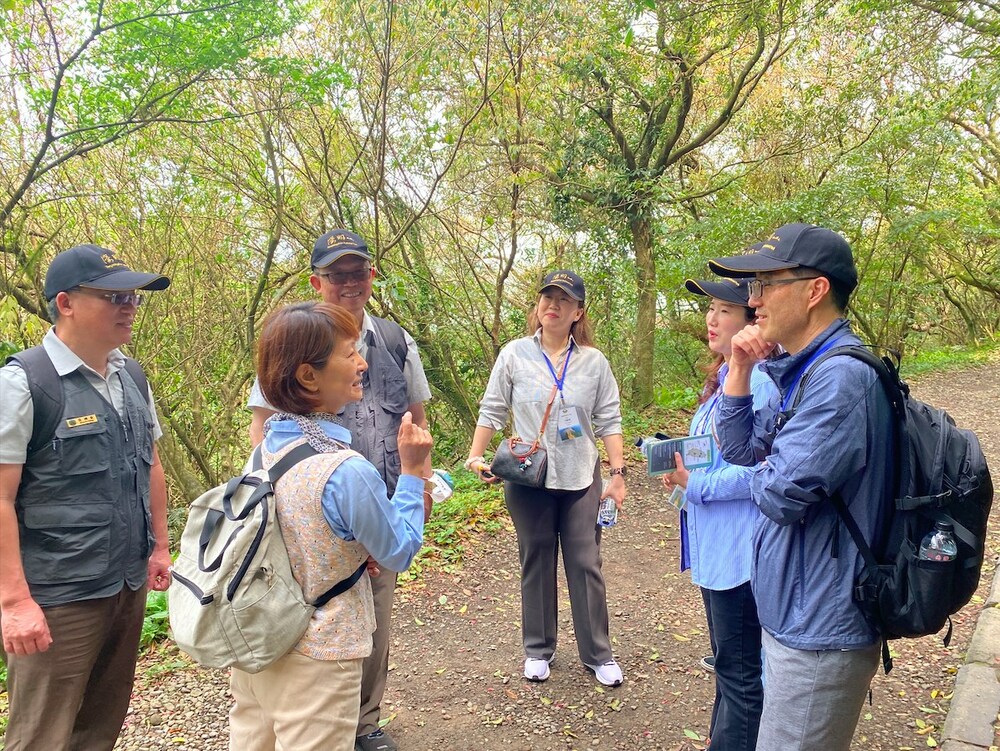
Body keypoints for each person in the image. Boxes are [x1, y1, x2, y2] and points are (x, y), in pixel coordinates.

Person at [708, 223, 895, 751]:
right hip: (797, 610)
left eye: (766, 284)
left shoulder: (839, 381)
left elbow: (775, 494)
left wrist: (772, 465)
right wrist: (739, 368)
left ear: (814, 291)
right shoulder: (805, 371)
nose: (754, 300)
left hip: (821, 623)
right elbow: (742, 451)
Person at [247, 229, 432, 751]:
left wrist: (410, 493)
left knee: (371, 624)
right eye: (337, 274)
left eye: (360, 271)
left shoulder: (394, 340)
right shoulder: (296, 339)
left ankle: (363, 724)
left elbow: (417, 421)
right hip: (324, 515)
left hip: (374, 507)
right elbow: (399, 547)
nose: (351, 282)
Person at [0, 244, 172, 750]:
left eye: (134, 297)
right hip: (56, 600)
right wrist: (13, 602)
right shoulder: (23, 384)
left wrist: (159, 547)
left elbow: (152, 465)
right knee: (40, 735)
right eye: (113, 296)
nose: (129, 306)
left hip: (124, 584)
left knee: (100, 726)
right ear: (66, 303)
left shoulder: (131, 376)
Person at [465, 270, 628, 687]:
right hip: (527, 474)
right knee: (536, 557)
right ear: (537, 306)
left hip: (580, 475)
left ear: (578, 312)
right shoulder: (514, 354)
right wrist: (476, 455)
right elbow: (492, 408)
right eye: (546, 298)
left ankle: (598, 653)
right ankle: (538, 649)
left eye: (563, 300)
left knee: (585, 561)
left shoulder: (594, 362)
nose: (552, 305)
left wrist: (618, 474)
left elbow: (609, 418)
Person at [659, 277, 775, 751]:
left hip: (741, 557)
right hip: (716, 554)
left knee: (742, 671)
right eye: (710, 309)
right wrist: (679, 475)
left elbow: (762, 475)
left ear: (752, 321)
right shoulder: (722, 383)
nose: (711, 319)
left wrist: (696, 484)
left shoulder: (763, 386)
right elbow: (710, 457)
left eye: (725, 310)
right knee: (729, 664)